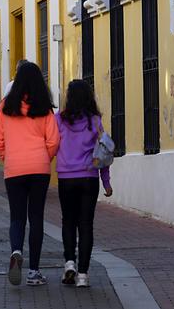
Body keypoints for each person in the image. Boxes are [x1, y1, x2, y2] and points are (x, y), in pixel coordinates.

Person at [0, 61, 60, 287]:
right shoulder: (44, 108)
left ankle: (16, 250)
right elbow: (54, 140)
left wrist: (8, 158)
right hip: (39, 167)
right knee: (37, 218)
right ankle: (34, 271)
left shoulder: (5, 107)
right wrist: (44, 157)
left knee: (17, 217)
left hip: (14, 168)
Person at [55, 79, 113, 288]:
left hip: (66, 179)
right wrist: (106, 182)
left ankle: (69, 262)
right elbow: (103, 152)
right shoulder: (95, 121)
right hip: (89, 178)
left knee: (68, 222)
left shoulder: (59, 120)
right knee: (86, 225)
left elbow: (52, 145)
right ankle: (83, 275)